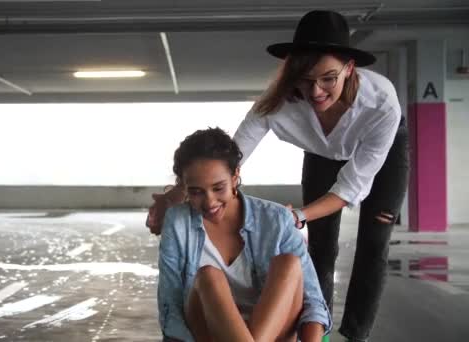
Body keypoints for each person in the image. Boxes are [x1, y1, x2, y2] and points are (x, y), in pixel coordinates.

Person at [149, 10, 409, 342]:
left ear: (349, 68)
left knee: (375, 236)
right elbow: (228, 158)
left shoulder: (382, 103)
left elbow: (352, 185)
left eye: (328, 78)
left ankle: (355, 334)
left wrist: (297, 215)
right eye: (305, 78)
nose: (315, 92)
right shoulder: (276, 103)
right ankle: (320, 330)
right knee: (320, 244)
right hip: (321, 151)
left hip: (379, 150)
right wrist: (173, 196)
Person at [158, 127, 331, 342]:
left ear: (235, 176)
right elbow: (170, 307)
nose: (209, 202)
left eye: (218, 188)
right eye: (196, 192)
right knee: (208, 277)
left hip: (273, 334)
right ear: (183, 187)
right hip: (209, 335)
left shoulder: (276, 218)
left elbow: (313, 301)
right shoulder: (177, 222)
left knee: (289, 263)